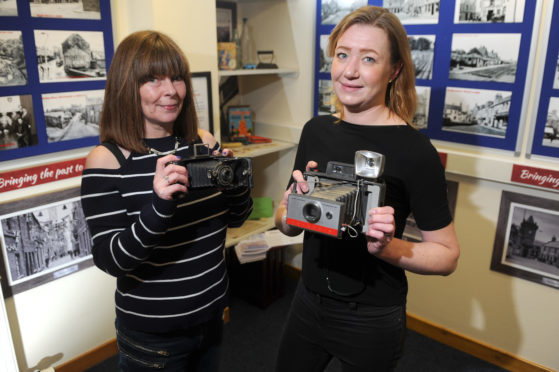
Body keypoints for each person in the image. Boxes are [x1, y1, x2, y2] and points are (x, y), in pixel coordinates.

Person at [274, 6, 460, 372]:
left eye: (369, 59)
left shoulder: (416, 152)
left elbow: (447, 256)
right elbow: (286, 220)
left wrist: (387, 247)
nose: (349, 71)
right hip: (307, 300)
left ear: (394, 71)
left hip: (371, 317)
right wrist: (288, 216)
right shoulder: (316, 130)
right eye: (342, 55)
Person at [80, 30, 253, 371]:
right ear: (127, 86)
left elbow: (236, 218)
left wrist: (237, 185)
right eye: (153, 80)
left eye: (176, 78)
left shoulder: (202, 141)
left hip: (211, 314)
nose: (170, 91)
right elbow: (111, 260)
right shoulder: (106, 159)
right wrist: (159, 205)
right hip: (153, 336)